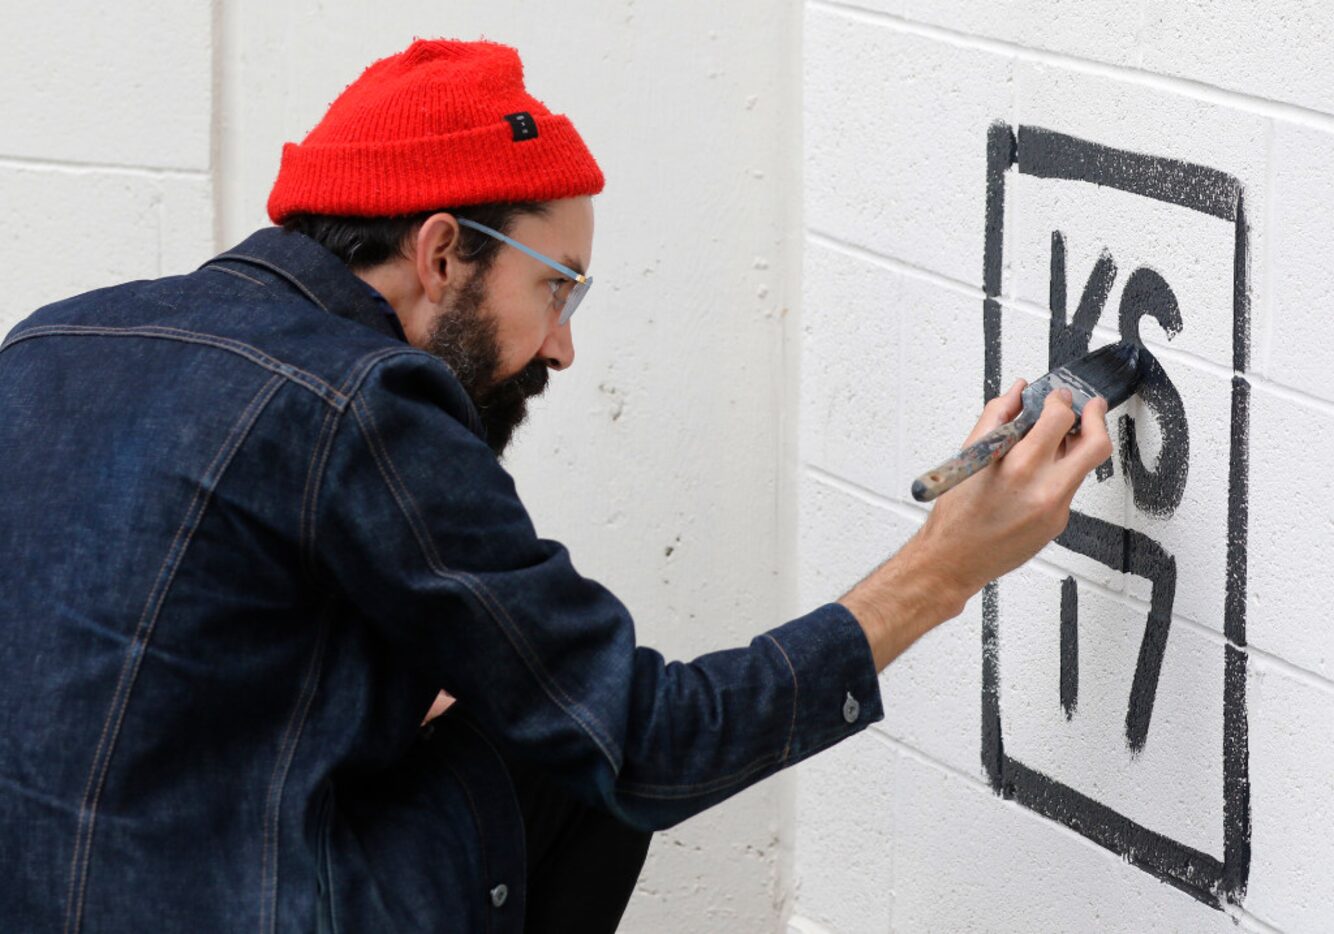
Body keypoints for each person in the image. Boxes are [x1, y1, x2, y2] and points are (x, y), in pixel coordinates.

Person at [0, 38, 1111, 933]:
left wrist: (381, 693)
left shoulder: (54, 338)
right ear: (441, 255)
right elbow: (647, 740)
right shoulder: (363, 398)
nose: (562, 348)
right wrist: (946, 564)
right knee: (571, 757)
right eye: (558, 290)